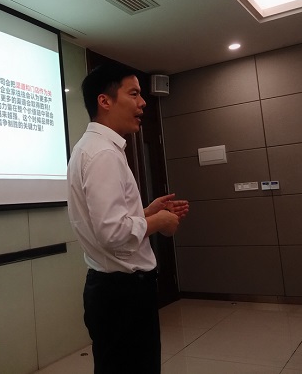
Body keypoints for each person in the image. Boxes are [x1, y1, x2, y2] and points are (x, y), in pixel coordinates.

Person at [67, 64, 189, 374]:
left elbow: (104, 223)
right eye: (133, 94)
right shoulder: (103, 154)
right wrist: (160, 222)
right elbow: (112, 232)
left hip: (112, 290)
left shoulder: (93, 148)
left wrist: (146, 212)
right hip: (123, 294)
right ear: (104, 101)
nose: (143, 103)